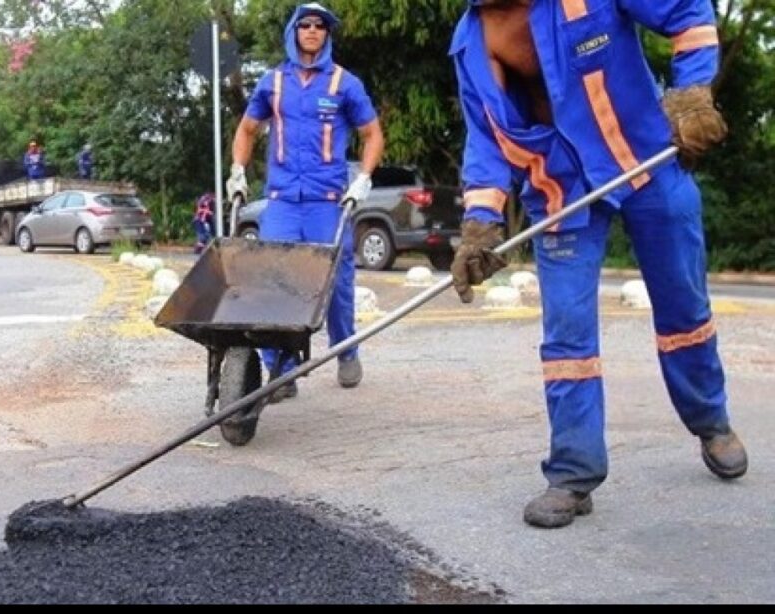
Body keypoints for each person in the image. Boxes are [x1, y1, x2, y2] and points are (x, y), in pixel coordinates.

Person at [449, 0, 746, 529]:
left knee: (684, 308)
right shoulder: (470, 46)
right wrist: (479, 223)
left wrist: (692, 92)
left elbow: (688, 12)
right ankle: (573, 473)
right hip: (559, 193)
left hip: (648, 164)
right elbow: (486, 142)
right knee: (566, 336)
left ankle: (711, 421)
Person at [227, 2, 385, 401]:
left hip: (328, 201)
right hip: (281, 200)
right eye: (306, 24)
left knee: (335, 283)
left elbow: (373, 134)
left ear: (327, 35)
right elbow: (247, 130)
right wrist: (238, 171)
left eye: (320, 26)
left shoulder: (344, 84)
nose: (313, 30)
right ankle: (282, 371)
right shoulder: (272, 83)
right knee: (272, 282)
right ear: (294, 31)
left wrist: (363, 178)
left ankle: (346, 352)